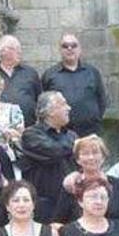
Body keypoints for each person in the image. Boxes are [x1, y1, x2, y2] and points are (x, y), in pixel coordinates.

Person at [54, 135, 119, 236]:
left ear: (103, 157)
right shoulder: (71, 186)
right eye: (85, 153)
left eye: (95, 152)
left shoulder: (117, 184)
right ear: (78, 160)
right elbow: (57, 223)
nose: (91, 157)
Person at [18, 91, 77, 222]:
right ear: (50, 111)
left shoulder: (71, 135)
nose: (69, 108)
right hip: (46, 206)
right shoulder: (31, 135)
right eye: (63, 104)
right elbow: (54, 151)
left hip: (72, 202)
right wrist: (77, 144)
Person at [42, 34, 107, 136]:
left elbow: (102, 100)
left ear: (80, 49)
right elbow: (44, 104)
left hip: (90, 132)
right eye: (65, 46)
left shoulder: (92, 72)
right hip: (61, 134)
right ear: (60, 50)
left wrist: (95, 118)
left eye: (74, 45)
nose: (69, 48)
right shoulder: (50, 75)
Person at [0, 35, 41, 127]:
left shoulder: (30, 73)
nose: (20, 52)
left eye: (19, 48)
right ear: (2, 51)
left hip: (29, 127)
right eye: (15, 48)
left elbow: (39, 99)